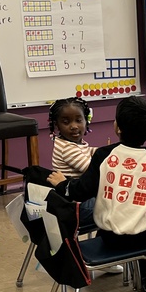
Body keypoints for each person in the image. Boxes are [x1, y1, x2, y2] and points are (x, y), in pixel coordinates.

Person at [48, 96, 146, 292]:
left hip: (107, 234)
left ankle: (142, 275)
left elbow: (80, 190)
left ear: (116, 127)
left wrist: (61, 184)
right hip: (137, 238)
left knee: (118, 211)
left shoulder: (104, 155)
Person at [48, 97, 99, 226]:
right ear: (56, 125)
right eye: (66, 122)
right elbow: (93, 171)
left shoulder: (71, 143)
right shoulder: (67, 148)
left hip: (77, 199)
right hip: (77, 207)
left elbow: (90, 151)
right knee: (120, 204)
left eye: (78, 120)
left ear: (86, 121)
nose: (74, 126)